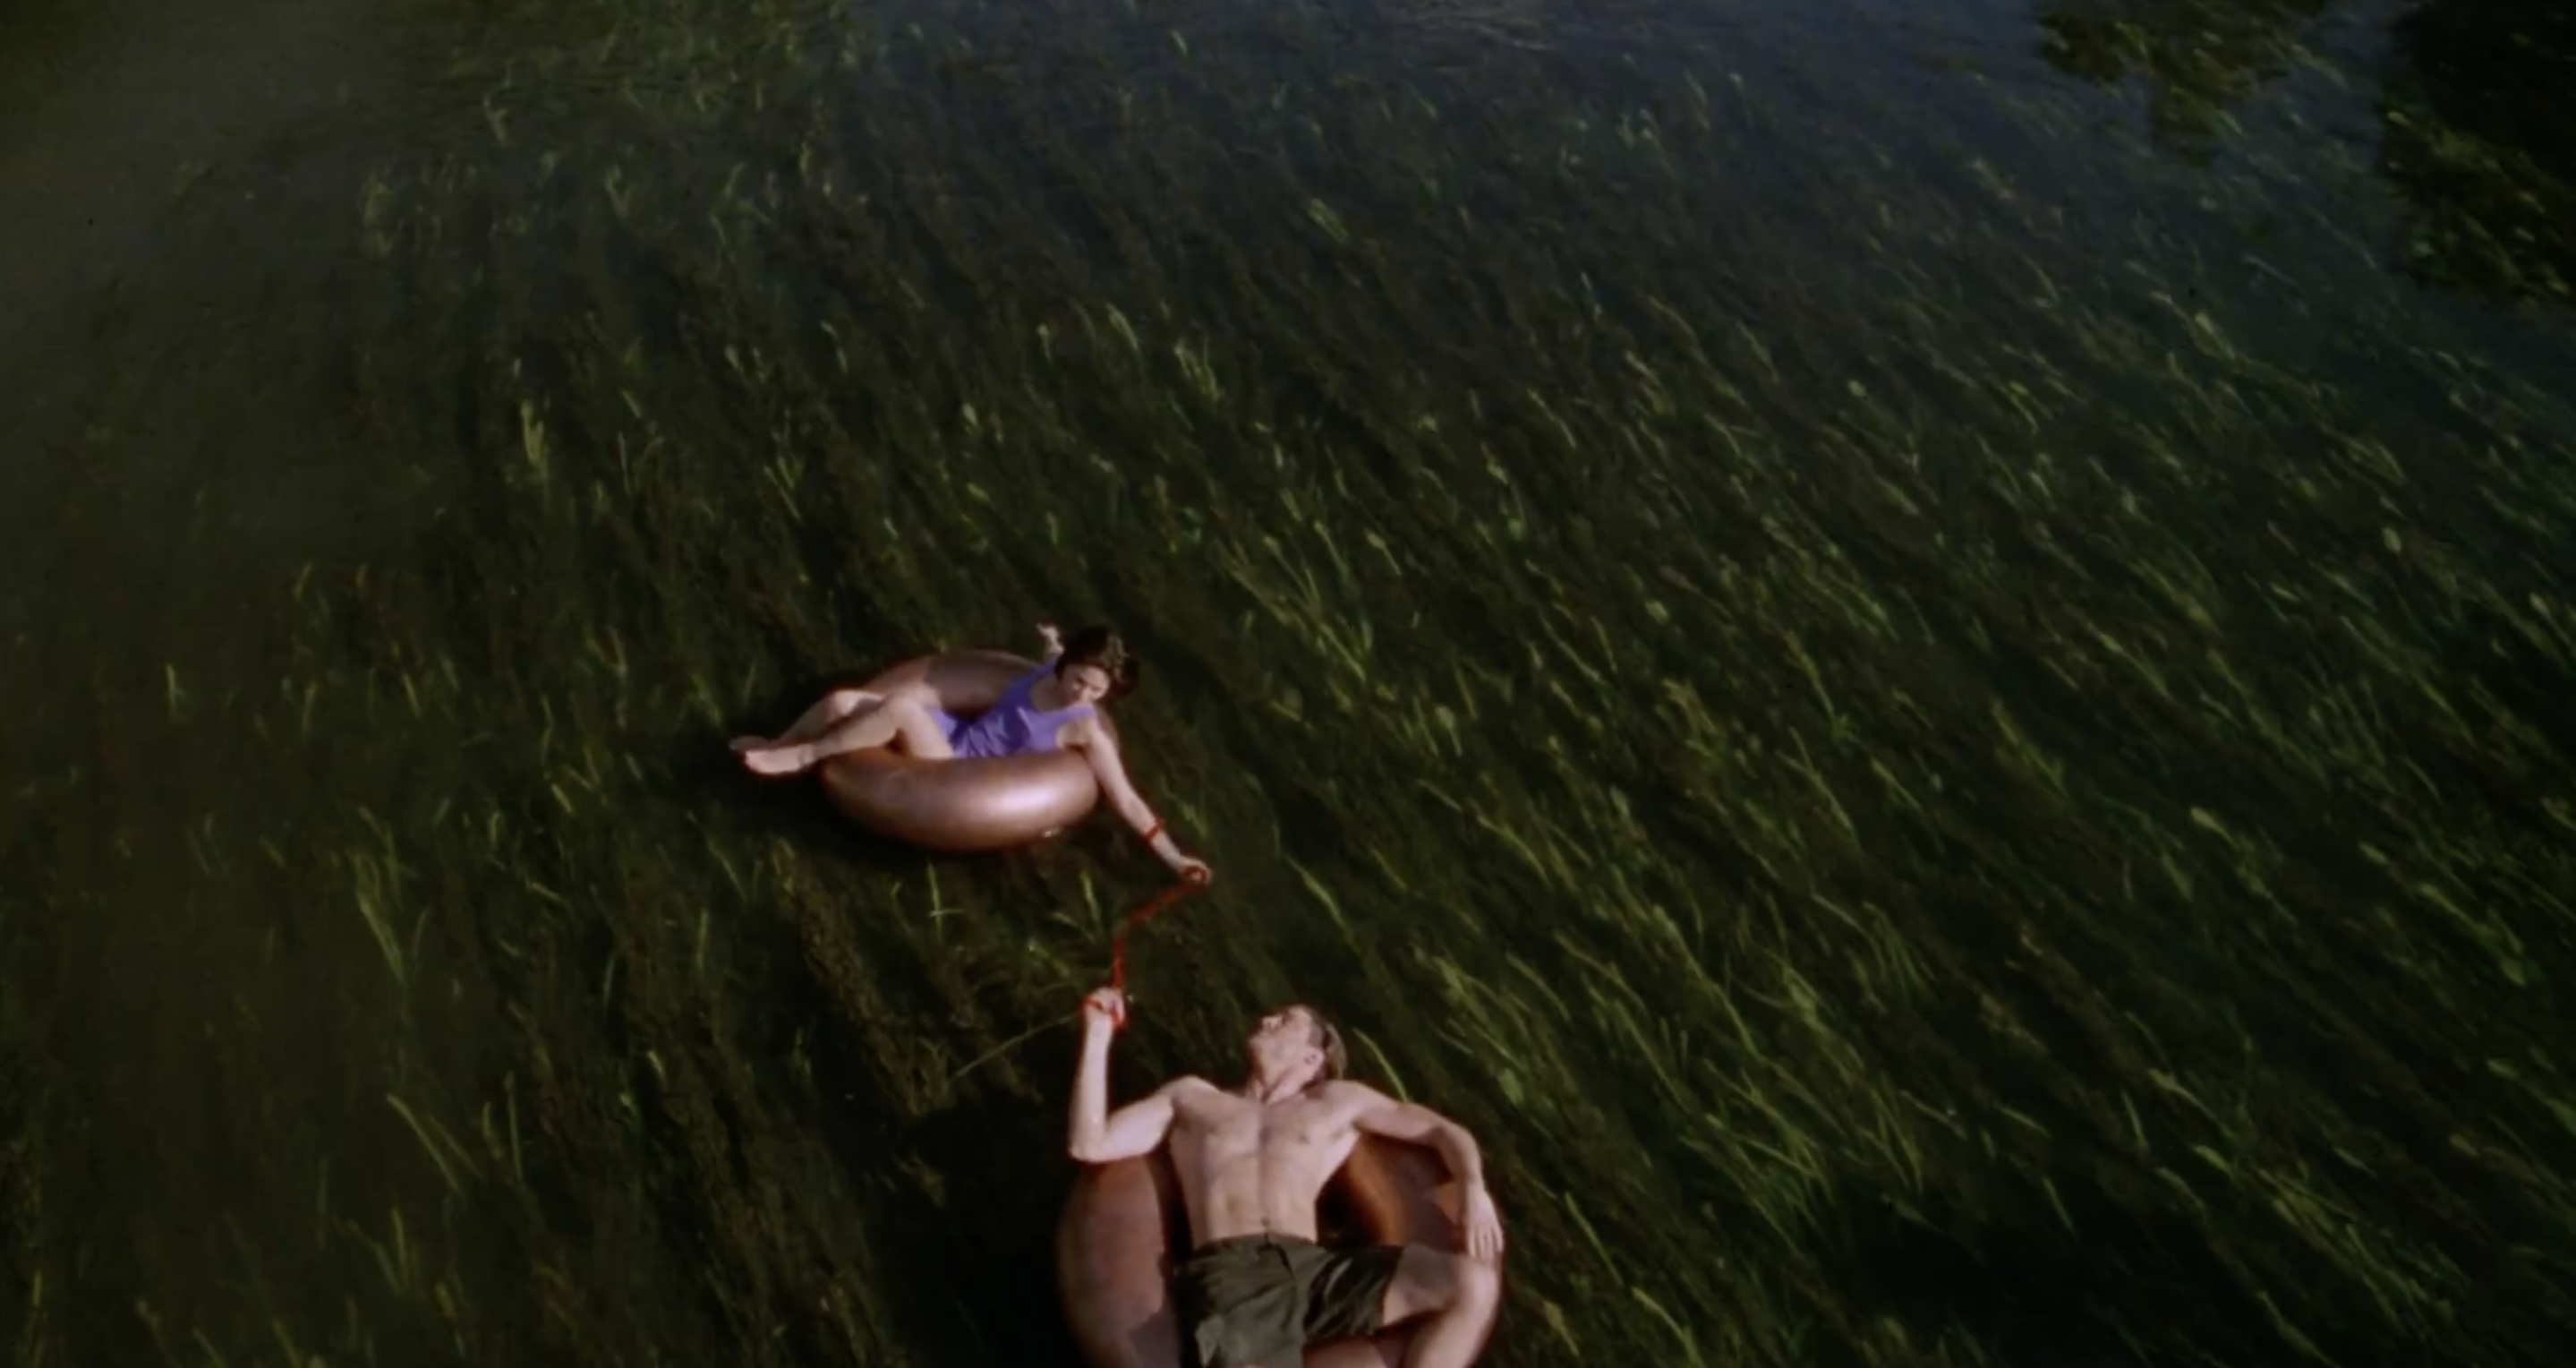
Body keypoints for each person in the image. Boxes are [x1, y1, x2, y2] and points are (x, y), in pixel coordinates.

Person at [1068, 987, 1505, 1368]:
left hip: (1315, 1271)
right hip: (1234, 1272)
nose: (1266, 1020)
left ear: (1313, 1057)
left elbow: (1440, 1131)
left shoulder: (1338, 1102)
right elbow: (1090, 1144)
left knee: (1473, 1284)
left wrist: (1472, 1186)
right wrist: (1097, 1035)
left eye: (1285, 1020)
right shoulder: (1192, 1098)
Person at [731, 624, 1210, 881]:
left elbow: (1126, 799)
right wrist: (1051, 642)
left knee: (899, 707)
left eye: (1096, 690)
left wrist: (1174, 858)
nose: (1080, 693)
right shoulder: (1047, 673)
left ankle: (805, 756)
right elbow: (1052, 657)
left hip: (958, 768)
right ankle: (778, 742)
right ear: (1066, 666)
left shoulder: (1085, 729)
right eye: (1079, 679)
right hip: (954, 733)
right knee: (841, 701)